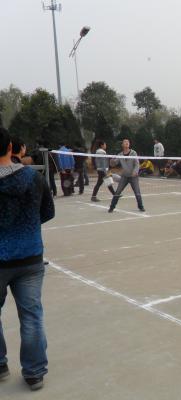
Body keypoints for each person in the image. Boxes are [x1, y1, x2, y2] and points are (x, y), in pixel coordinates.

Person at [0, 128, 55, 391]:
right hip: (31, 257)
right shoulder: (34, 178)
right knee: (32, 316)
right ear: (11, 147)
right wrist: (28, 226)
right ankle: (34, 373)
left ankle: (1, 365)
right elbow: (48, 211)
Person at [108, 139, 145, 213]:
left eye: (128, 142)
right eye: (125, 142)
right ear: (122, 145)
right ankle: (112, 207)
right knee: (118, 192)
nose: (127, 143)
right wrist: (111, 161)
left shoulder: (133, 153)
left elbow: (137, 164)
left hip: (133, 176)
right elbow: (114, 164)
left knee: (137, 192)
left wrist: (135, 171)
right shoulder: (120, 155)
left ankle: (141, 206)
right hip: (124, 176)